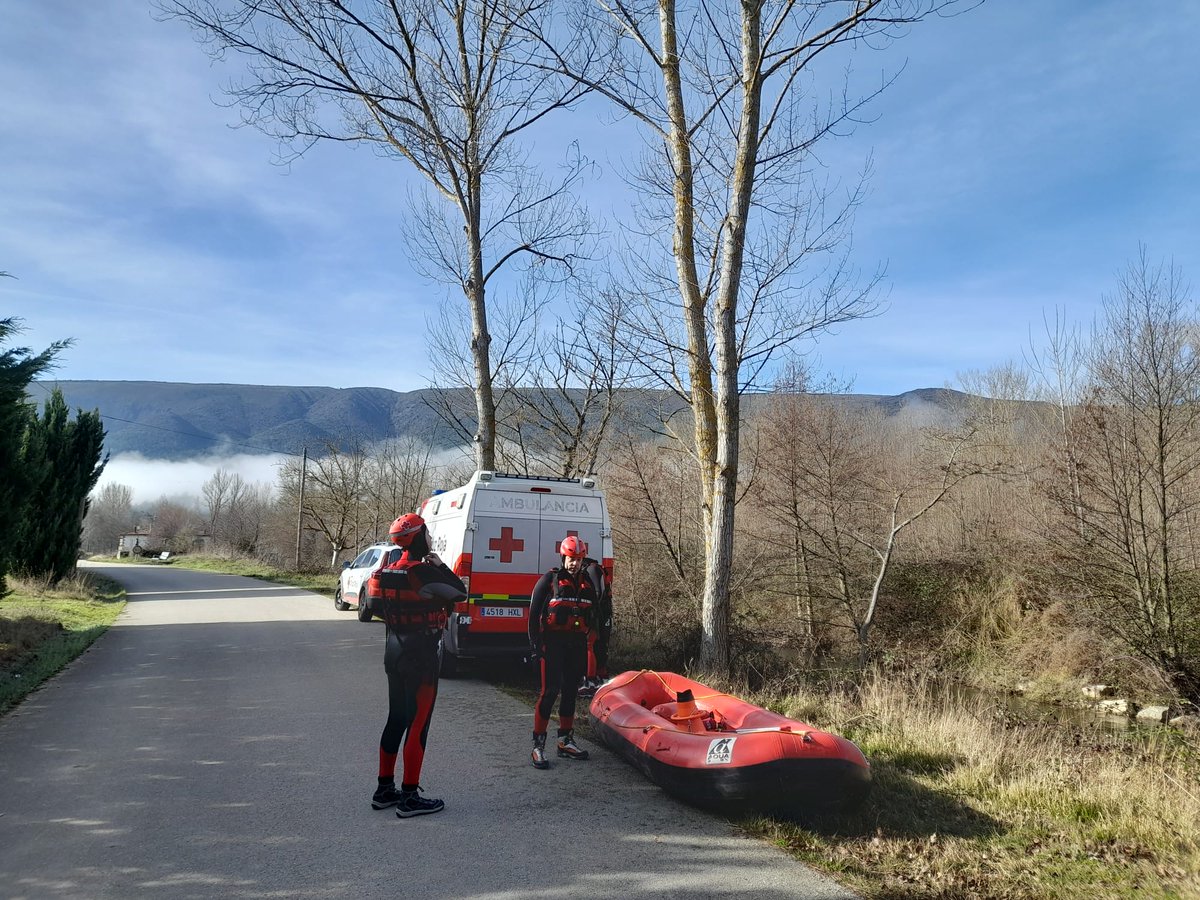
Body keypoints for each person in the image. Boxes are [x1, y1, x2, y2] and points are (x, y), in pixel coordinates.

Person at [369, 512, 466, 818]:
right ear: (418, 537)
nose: (430, 537)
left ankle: (384, 789)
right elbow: (460, 593)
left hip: (393, 652)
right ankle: (409, 797)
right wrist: (441, 566)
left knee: (396, 719)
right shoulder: (423, 572)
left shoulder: (386, 570)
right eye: (427, 532)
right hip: (421, 655)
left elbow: (374, 606)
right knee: (418, 723)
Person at [527, 534, 603, 768]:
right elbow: (533, 613)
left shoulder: (588, 583)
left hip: (576, 644)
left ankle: (565, 741)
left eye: (578, 559)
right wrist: (535, 645)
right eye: (571, 559)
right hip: (553, 644)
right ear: (563, 557)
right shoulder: (550, 579)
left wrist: (594, 643)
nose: (574, 563)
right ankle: (538, 746)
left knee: (570, 691)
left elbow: (596, 615)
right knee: (550, 692)